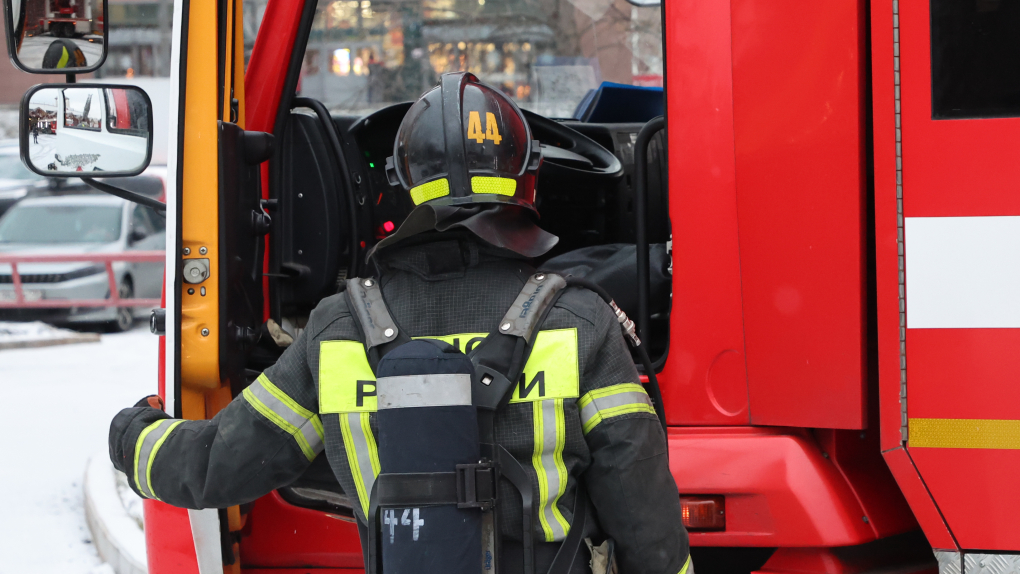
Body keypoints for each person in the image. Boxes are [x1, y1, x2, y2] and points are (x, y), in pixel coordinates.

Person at [108, 72, 691, 574]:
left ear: (404, 187)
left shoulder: (338, 330)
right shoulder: (578, 322)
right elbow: (645, 519)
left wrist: (133, 436)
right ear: (525, 177)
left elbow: (216, 466)